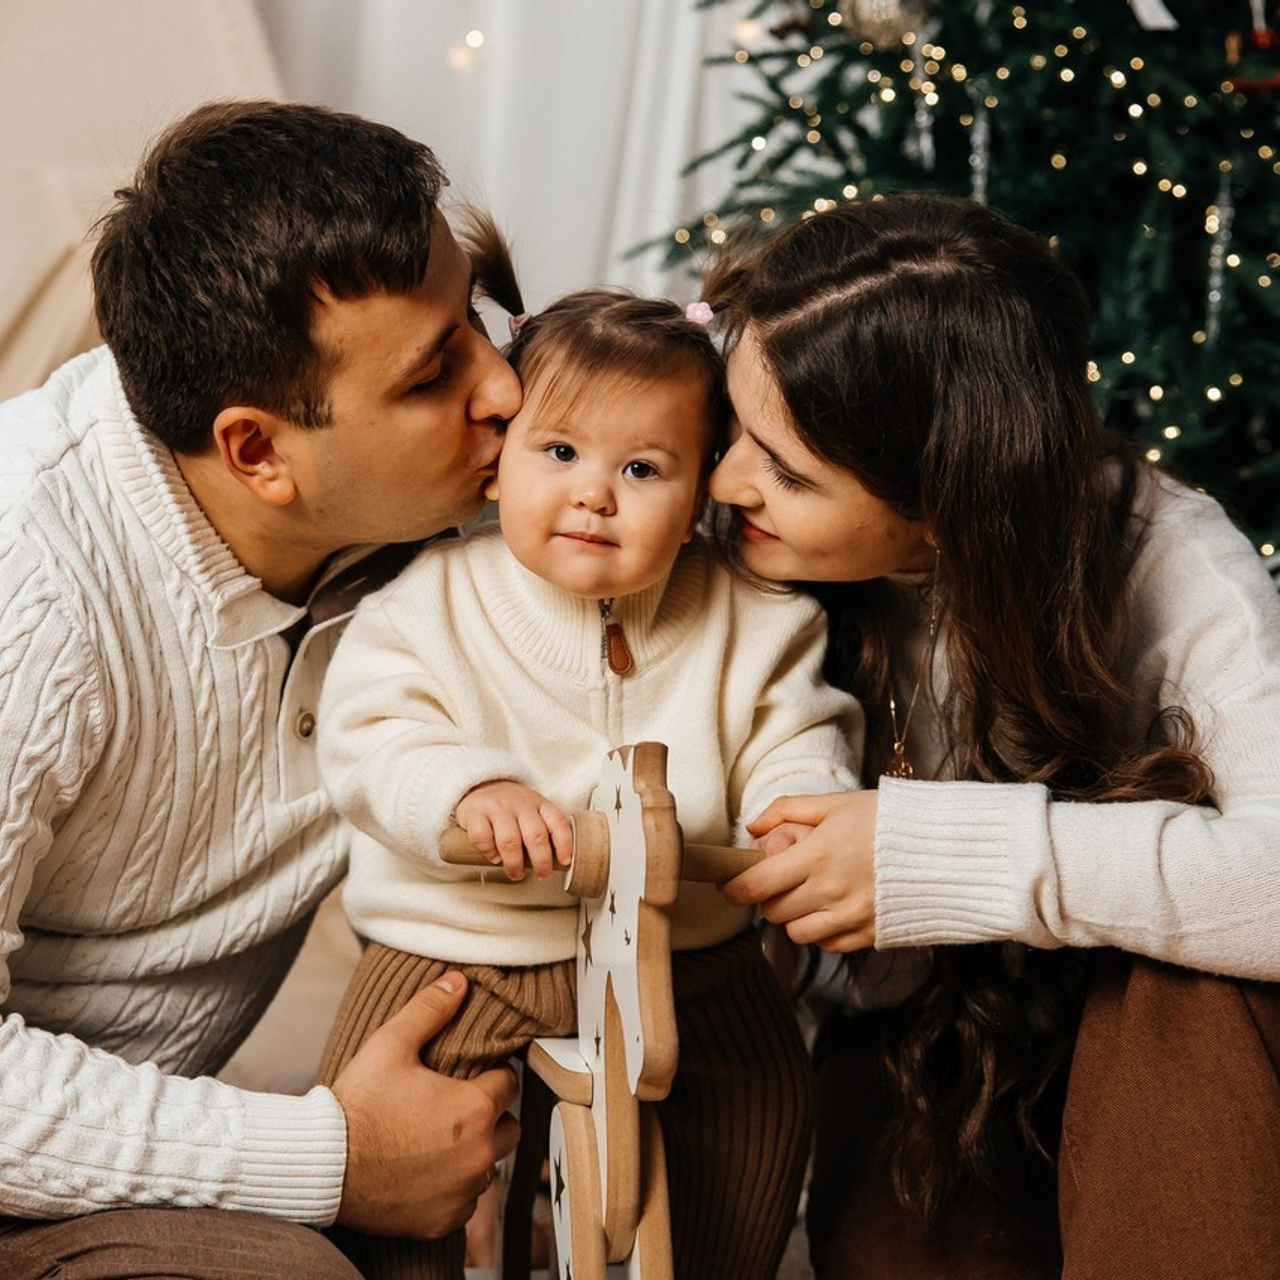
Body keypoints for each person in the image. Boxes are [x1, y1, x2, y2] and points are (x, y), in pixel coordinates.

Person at [701, 193, 1280, 1279]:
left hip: (1134, 1033)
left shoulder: (1174, 563)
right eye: (734, 430)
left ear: (946, 499)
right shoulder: (728, 538)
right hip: (921, 1043)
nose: (727, 480)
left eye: (786, 471)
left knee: (1192, 993)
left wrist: (940, 854)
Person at [0, 100, 526, 1279]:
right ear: (256, 452)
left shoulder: (444, 502)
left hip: (118, 1154)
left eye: (475, 319)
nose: (503, 387)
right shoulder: (28, 580)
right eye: (434, 372)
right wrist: (332, 1155)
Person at [314, 283, 864, 1279]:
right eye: (559, 451)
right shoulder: (433, 601)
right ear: (499, 461)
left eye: (642, 468)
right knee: (381, 1116)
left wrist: (796, 811)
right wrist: (462, 792)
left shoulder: (757, 617)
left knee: (756, 1101)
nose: (594, 494)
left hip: (688, 948)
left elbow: (795, 733)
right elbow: (372, 738)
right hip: (460, 944)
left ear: (699, 498)